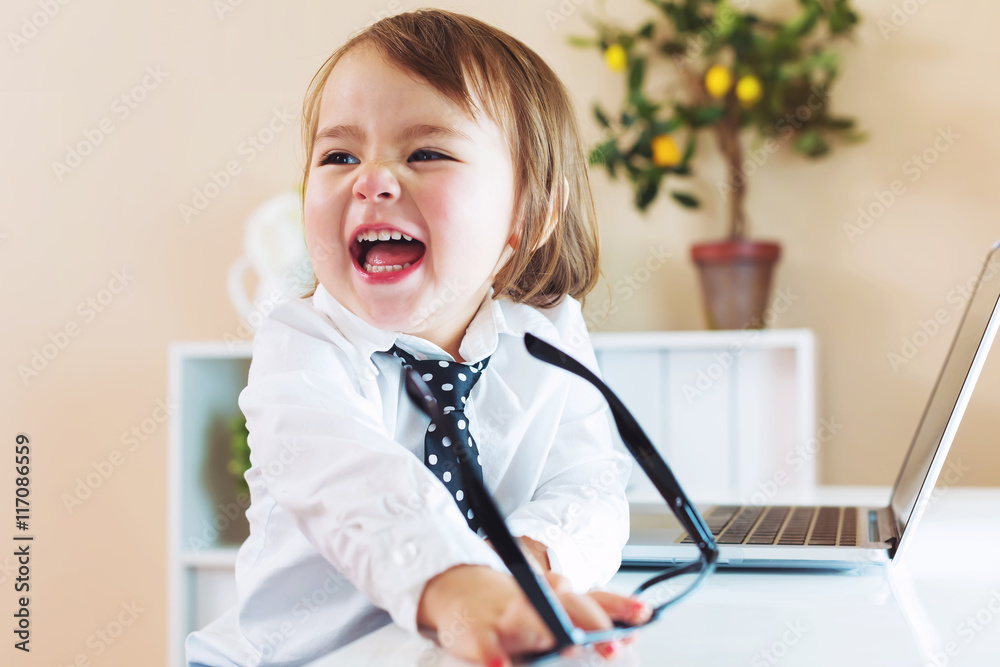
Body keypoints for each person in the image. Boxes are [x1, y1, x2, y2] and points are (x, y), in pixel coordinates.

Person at [186, 9, 650, 667]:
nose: (370, 180)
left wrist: (525, 562)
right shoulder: (303, 344)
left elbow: (591, 480)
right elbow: (354, 484)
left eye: (426, 152)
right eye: (338, 155)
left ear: (530, 215)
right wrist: (462, 588)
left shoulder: (548, 333)